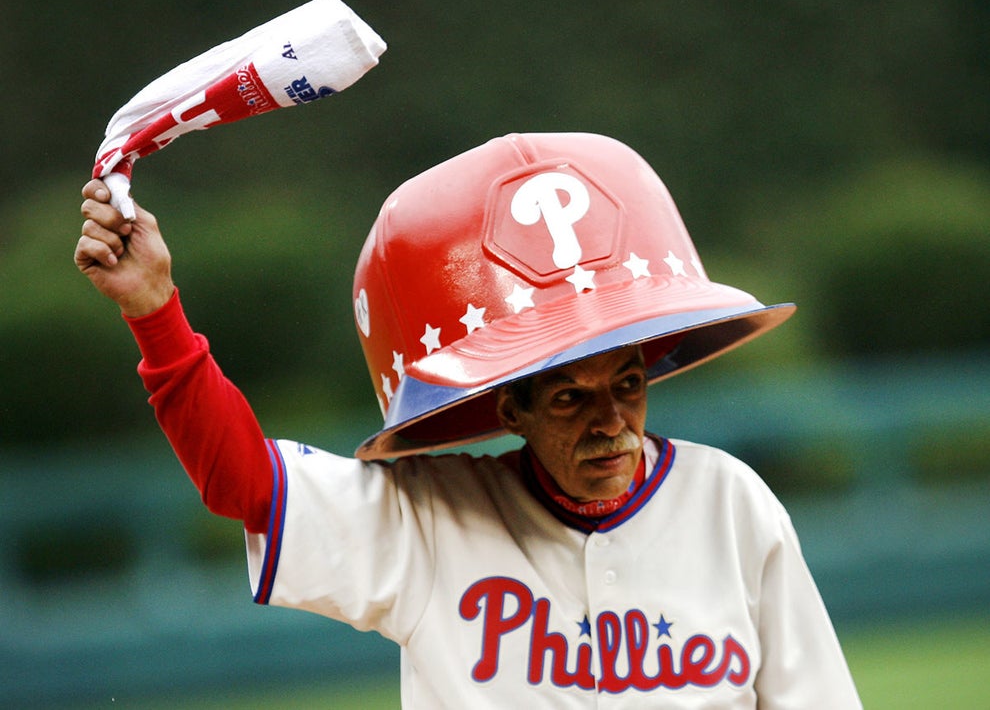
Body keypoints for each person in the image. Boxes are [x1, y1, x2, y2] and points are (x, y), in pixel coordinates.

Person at [76, 132, 862, 708]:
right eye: (568, 396)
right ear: (508, 406)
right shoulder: (430, 518)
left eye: (627, 381)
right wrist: (154, 311)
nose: (610, 421)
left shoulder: (731, 503)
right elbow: (245, 485)